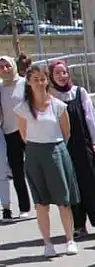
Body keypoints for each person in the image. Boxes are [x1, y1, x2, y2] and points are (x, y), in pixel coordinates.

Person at [15, 65, 81, 257]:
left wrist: (55, 148)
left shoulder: (58, 105)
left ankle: (70, 240)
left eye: (42, 79)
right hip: (35, 154)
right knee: (41, 203)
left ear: (47, 81)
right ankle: (47, 243)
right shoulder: (22, 108)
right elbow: (24, 134)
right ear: (28, 82)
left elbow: (66, 132)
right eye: (34, 79)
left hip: (56, 151)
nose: (39, 82)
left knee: (63, 200)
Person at [49, 59, 95, 239]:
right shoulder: (51, 96)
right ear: (51, 77)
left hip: (85, 145)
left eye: (64, 72)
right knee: (73, 186)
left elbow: (90, 118)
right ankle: (78, 225)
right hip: (64, 148)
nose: (62, 76)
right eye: (57, 73)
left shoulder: (80, 92)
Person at [1, 56, 30, 219]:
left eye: (7, 66)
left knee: (35, 170)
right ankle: (24, 207)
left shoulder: (25, 83)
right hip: (9, 133)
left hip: (29, 132)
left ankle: (42, 202)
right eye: (1, 67)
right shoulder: (0, 88)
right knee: (17, 172)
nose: (5, 70)